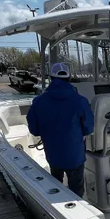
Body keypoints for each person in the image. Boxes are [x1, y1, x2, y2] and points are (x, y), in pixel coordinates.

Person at [26, 63, 93, 197]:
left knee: (55, 185)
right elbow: (88, 128)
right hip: (75, 156)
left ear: (51, 78)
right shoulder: (80, 101)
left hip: (53, 154)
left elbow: (34, 129)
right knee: (76, 190)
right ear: (69, 78)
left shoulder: (38, 102)